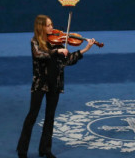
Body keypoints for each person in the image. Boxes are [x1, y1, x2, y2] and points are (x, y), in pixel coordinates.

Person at [16, 15, 96, 158]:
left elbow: (67, 60)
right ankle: (22, 151)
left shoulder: (58, 42)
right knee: (32, 116)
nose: (52, 28)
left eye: (51, 24)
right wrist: (56, 51)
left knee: (50, 117)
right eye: (48, 25)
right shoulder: (35, 41)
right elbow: (39, 54)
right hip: (40, 83)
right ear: (41, 27)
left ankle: (45, 150)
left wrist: (85, 49)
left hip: (55, 83)